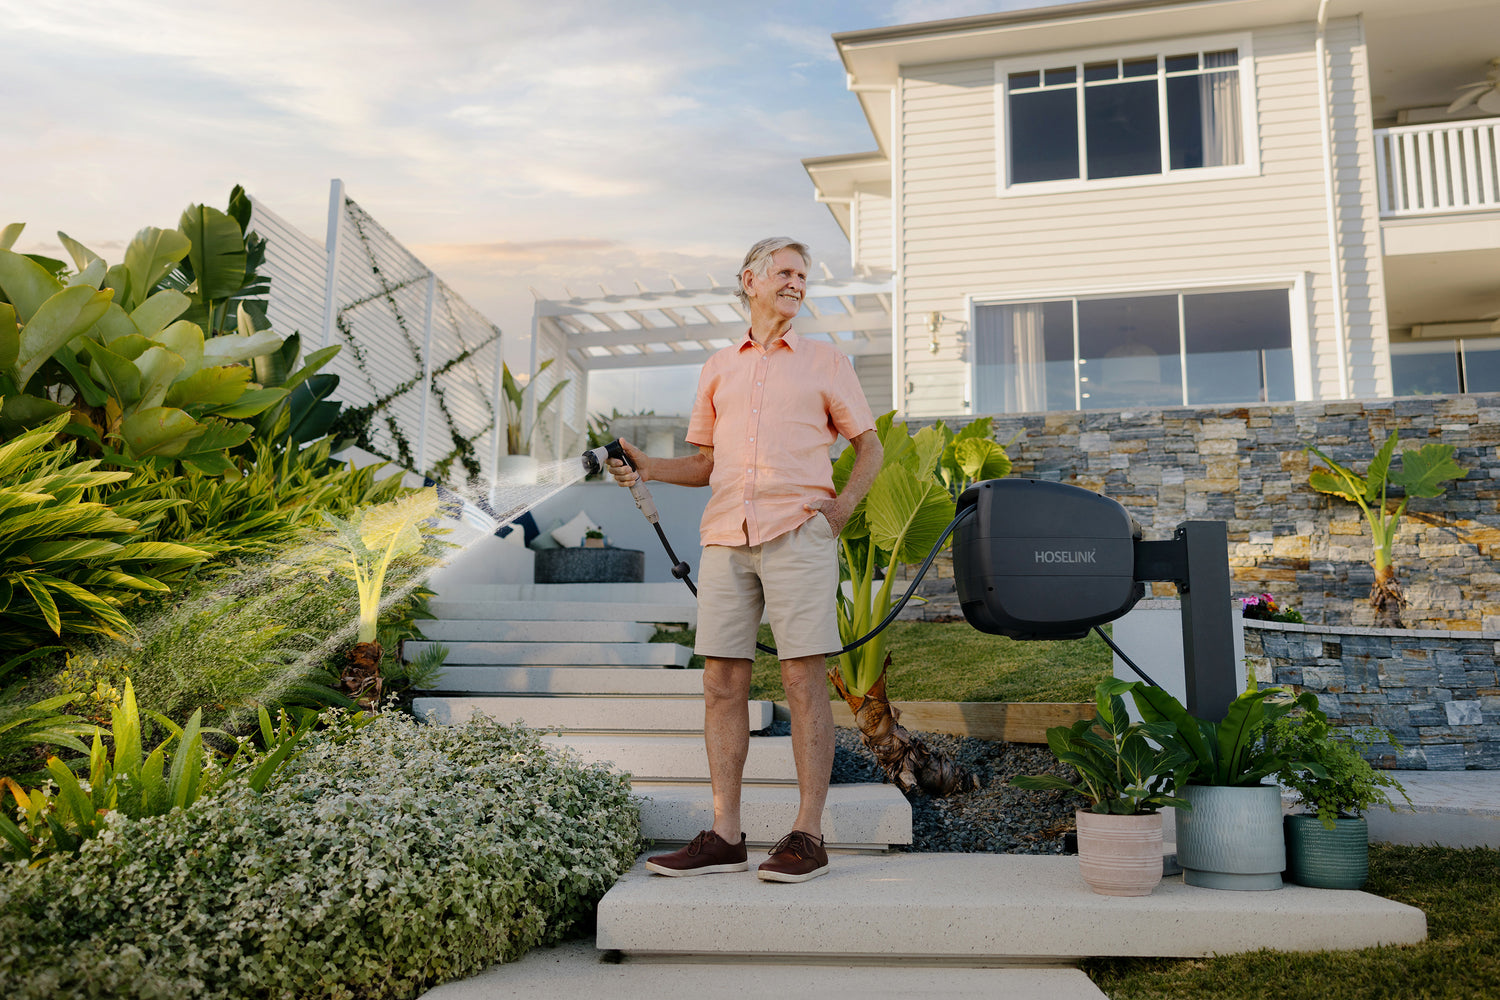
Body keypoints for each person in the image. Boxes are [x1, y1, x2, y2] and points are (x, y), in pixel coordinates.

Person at [607, 237, 882, 883]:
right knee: (721, 684)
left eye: (802, 275)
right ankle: (725, 834)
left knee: (801, 680)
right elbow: (704, 464)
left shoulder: (826, 362)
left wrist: (841, 509)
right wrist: (647, 465)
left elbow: (868, 446)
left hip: (797, 533)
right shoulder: (717, 368)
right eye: (784, 272)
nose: (796, 283)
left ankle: (808, 834)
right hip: (726, 537)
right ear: (750, 280)